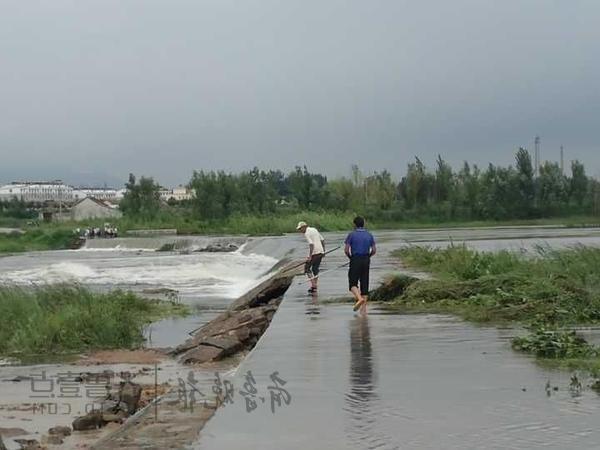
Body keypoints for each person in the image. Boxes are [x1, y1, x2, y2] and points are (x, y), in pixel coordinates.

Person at [344, 216, 376, 313]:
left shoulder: (351, 235)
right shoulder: (369, 235)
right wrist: (368, 257)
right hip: (366, 259)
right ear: (363, 224)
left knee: (353, 283)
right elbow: (374, 250)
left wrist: (351, 258)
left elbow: (346, 250)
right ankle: (364, 311)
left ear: (354, 224)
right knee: (364, 283)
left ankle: (359, 299)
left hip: (355, 259)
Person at [296, 221, 325, 293]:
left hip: (315, 253)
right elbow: (322, 240)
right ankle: (314, 285)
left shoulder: (307, 233)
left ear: (304, 227)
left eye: (300, 229)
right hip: (320, 252)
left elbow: (311, 244)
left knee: (307, 268)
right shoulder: (314, 229)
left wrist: (310, 256)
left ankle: (314, 285)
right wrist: (323, 250)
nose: (300, 231)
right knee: (315, 269)